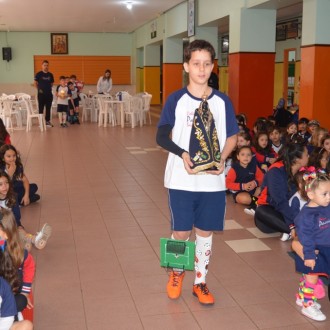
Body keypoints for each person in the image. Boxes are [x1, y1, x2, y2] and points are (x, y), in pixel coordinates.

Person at [156, 39, 238, 305]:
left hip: (212, 183)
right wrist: (182, 154)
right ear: (186, 66)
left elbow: (233, 138)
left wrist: (221, 160)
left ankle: (200, 282)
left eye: (206, 64)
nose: (201, 69)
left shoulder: (222, 101)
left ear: (213, 66)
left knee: (205, 232)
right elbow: (161, 136)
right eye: (196, 64)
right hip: (181, 180)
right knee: (181, 231)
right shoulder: (176, 100)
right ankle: (177, 273)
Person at [293, 169, 330, 321]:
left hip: (325, 248)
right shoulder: (306, 216)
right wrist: (308, 255)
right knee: (312, 279)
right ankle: (308, 305)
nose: (329, 197)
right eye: (325, 194)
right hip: (313, 251)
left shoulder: (326, 207)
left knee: (310, 277)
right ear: (311, 195)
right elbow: (305, 237)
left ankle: (302, 297)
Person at [254, 143, 309, 240]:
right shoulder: (276, 171)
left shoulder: (303, 172)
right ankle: (296, 231)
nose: (309, 156)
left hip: (291, 210)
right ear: (297, 159)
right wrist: (291, 224)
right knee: (260, 211)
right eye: (306, 154)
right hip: (271, 212)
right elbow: (280, 201)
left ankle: (294, 231)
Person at [0, 170, 50, 250]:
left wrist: (16, 226)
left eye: (6, 183)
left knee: (20, 231)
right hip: (2, 229)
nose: (5, 186)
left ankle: (34, 239)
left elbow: (17, 216)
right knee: (7, 236)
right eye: (1, 184)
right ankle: (23, 243)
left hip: (13, 224)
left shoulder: (12, 197)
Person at [0, 209, 35, 320]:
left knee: (21, 301)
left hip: (13, 293)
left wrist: (25, 292)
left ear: (6, 233)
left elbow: (30, 266)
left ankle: (12, 316)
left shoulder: (19, 252)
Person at [226, 146, 263, 215]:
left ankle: (258, 203)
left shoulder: (254, 167)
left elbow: (262, 178)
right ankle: (259, 204)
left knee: (263, 188)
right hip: (241, 192)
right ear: (238, 157)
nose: (246, 157)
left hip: (254, 190)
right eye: (243, 154)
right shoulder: (234, 169)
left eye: (248, 155)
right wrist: (243, 186)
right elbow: (228, 183)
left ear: (251, 157)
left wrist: (255, 183)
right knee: (243, 199)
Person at [34, 60, 54, 127]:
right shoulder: (38, 74)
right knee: (41, 108)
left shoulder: (50, 74)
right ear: (42, 66)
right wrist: (39, 89)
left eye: (47, 65)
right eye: (44, 65)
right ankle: (41, 122)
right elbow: (35, 83)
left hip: (49, 94)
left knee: (48, 108)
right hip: (41, 95)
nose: (46, 66)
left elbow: (51, 84)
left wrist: (47, 89)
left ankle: (47, 121)